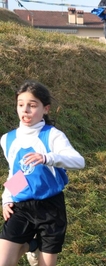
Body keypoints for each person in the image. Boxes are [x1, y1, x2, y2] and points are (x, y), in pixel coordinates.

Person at [0, 81, 85, 266]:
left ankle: (34, 244)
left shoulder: (53, 135)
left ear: (45, 109)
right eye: (21, 105)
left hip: (50, 209)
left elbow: (79, 161)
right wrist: (6, 198)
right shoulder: (7, 139)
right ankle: (32, 244)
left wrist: (48, 158)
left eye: (32, 105)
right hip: (20, 208)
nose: (25, 110)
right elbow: (16, 173)